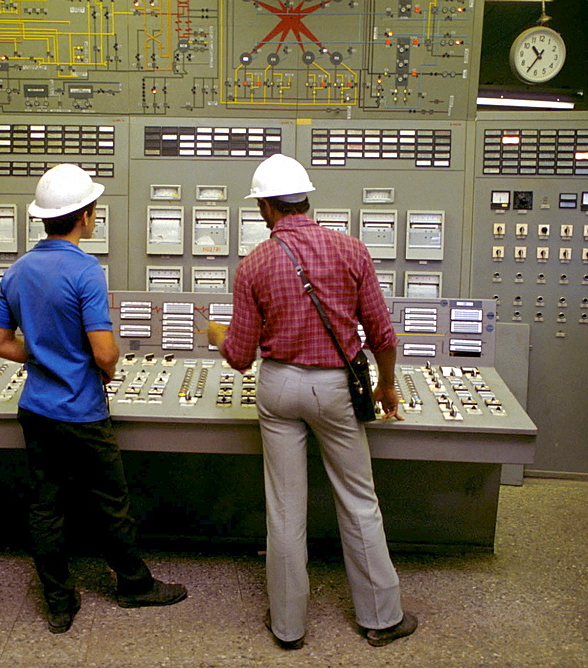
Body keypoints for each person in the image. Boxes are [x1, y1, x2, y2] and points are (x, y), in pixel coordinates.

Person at [207, 154, 417, 650]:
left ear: (265, 207)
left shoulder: (254, 264)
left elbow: (239, 356)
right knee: (359, 500)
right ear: (305, 198)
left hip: (279, 387)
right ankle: (381, 619)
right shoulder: (352, 250)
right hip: (337, 386)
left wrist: (217, 333)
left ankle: (288, 626)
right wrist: (386, 385)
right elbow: (382, 335)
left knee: (284, 510)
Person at [0, 163, 187, 634]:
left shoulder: (16, 272)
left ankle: (59, 602)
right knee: (110, 501)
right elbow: (103, 352)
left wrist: (41, 355)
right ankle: (134, 586)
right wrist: (106, 364)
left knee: (46, 505)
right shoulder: (85, 271)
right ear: (86, 216)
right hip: (82, 412)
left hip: (36, 409)